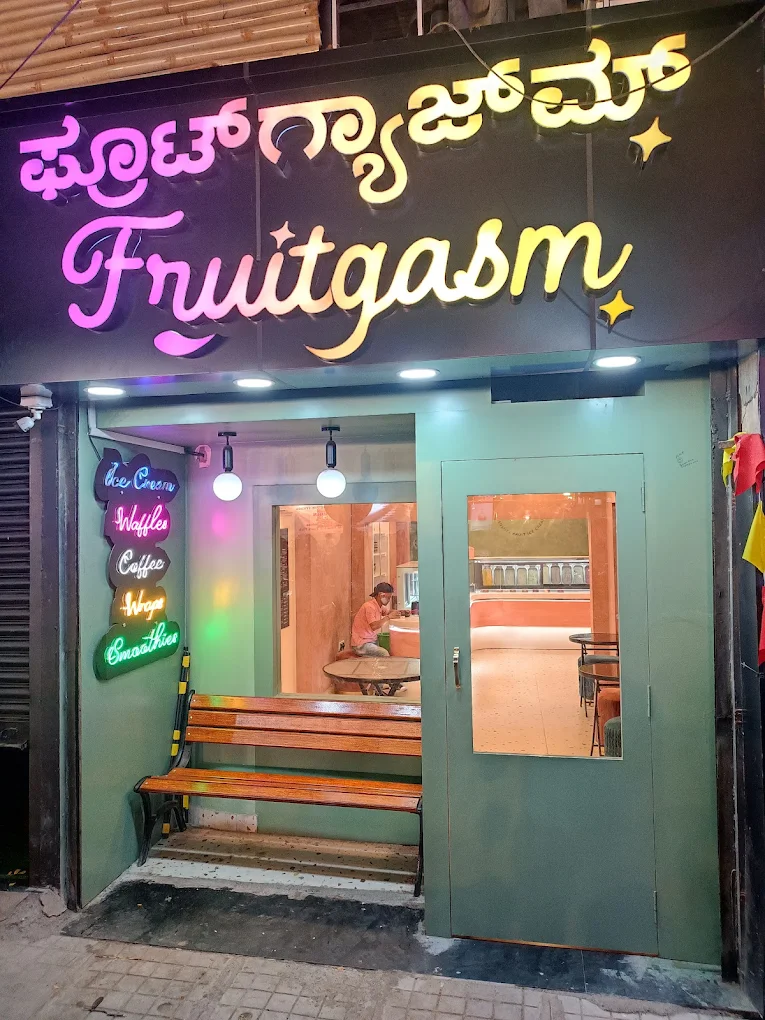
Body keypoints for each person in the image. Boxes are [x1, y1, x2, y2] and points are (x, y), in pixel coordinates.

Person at [351, 582, 402, 657]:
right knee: (384, 653)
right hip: (362, 644)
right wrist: (388, 617)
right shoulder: (369, 607)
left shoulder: (378, 606)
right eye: (388, 598)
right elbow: (374, 626)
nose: (389, 600)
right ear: (381, 595)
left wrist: (401, 612)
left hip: (371, 641)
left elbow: (388, 612)